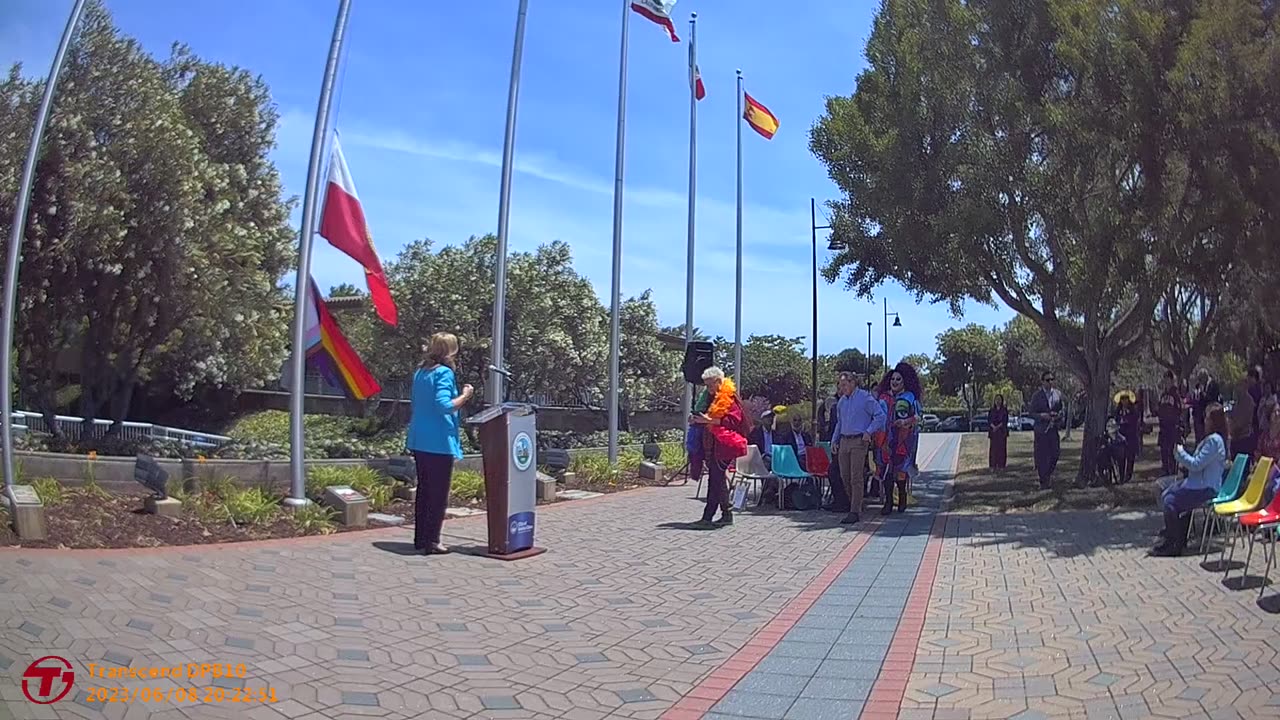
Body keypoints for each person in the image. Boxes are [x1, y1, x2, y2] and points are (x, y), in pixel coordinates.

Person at [408, 332, 473, 555]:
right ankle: (433, 540)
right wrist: (465, 396)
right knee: (437, 494)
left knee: (424, 491)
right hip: (438, 442)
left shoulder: (420, 372)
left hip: (419, 439)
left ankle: (420, 538)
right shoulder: (444, 373)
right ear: (450, 351)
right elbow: (444, 405)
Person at [1152, 403, 1229, 557]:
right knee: (1166, 492)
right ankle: (1176, 537)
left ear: (1214, 421)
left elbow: (1196, 464)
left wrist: (1181, 453)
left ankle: (1174, 543)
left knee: (1170, 501)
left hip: (1205, 488)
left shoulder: (1214, 441)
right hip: (1197, 483)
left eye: (1207, 418)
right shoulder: (1212, 440)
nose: (1204, 421)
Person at [690, 366, 749, 527]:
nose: (707, 389)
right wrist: (697, 420)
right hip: (712, 445)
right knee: (718, 480)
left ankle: (708, 517)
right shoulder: (710, 397)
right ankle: (726, 514)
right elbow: (707, 416)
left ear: (718, 381)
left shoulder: (728, 397)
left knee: (715, 480)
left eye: (709, 385)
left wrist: (708, 421)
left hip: (725, 445)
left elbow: (733, 421)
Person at [830, 371, 886, 525]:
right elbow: (839, 423)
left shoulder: (865, 398)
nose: (842, 387)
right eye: (840, 385)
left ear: (853, 383)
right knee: (844, 476)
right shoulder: (841, 402)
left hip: (859, 441)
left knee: (856, 477)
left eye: (845, 384)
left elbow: (880, 416)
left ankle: (854, 511)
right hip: (844, 440)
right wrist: (834, 441)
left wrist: (869, 431)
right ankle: (856, 503)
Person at [878, 363, 922, 514]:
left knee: (900, 469)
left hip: (904, 438)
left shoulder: (910, 398)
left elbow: (917, 417)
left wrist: (905, 422)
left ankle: (902, 497)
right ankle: (888, 502)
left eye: (898, 379)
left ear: (905, 381)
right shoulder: (883, 397)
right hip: (885, 438)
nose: (895, 382)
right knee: (886, 470)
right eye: (893, 379)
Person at [1028, 371, 1064, 489]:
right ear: (1042, 381)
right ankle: (1043, 481)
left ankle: (1047, 475)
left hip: (1053, 429)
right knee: (1042, 456)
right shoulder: (1037, 396)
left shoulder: (1057, 394)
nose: (1050, 382)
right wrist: (1042, 416)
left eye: (1052, 379)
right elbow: (1031, 413)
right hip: (1041, 430)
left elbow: (1061, 410)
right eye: (1048, 380)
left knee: (1055, 453)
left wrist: (1057, 416)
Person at [1230, 365, 1263, 459]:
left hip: (1244, 439)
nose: (1238, 387)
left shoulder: (1249, 400)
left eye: (1241, 384)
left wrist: (1234, 429)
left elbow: (1243, 422)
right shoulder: (1238, 401)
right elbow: (1233, 416)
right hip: (1236, 439)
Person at [1115, 393, 1141, 484]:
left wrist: (1127, 419)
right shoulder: (1119, 410)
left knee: (1130, 457)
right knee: (1121, 457)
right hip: (1121, 436)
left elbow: (1135, 421)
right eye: (1122, 399)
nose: (1124, 401)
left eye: (1126, 399)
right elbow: (1116, 420)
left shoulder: (1133, 410)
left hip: (1131, 436)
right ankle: (1121, 476)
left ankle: (1128, 475)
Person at [1157, 392, 1183, 476]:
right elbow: (1159, 409)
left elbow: (1179, 409)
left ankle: (1172, 469)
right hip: (1163, 427)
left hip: (1172, 427)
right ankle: (1165, 468)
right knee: (1163, 449)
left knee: (1172, 449)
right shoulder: (1163, 395)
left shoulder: (1175, 395)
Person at [1192, 368, 1220, 442]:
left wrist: (1203, 394)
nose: (1200, 381)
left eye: (1201, 379)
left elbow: (1212, 398)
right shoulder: (1201, 386)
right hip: (1202, 414)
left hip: (1211, 412)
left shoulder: (1213, 384)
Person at [988, 395, 1009, 470]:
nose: (998, 401)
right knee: (993, 449)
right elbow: (989, 420)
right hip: (993, 432)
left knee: (1002, 449)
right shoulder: (992, 410)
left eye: (999, 399)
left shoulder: (1004, 410)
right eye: (996, 399)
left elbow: (1005, 421)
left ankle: (1001, 465)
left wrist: (998, 427)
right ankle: (993, 465)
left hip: (1001, 432)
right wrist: (993, 427)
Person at [1258, 397, 1280, 462]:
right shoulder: (1264, 435)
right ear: (1269, 415)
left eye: (1279, 411)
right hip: (1265, 468)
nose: (1277, 414)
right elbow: (1258, 453)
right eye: (1274, 411)